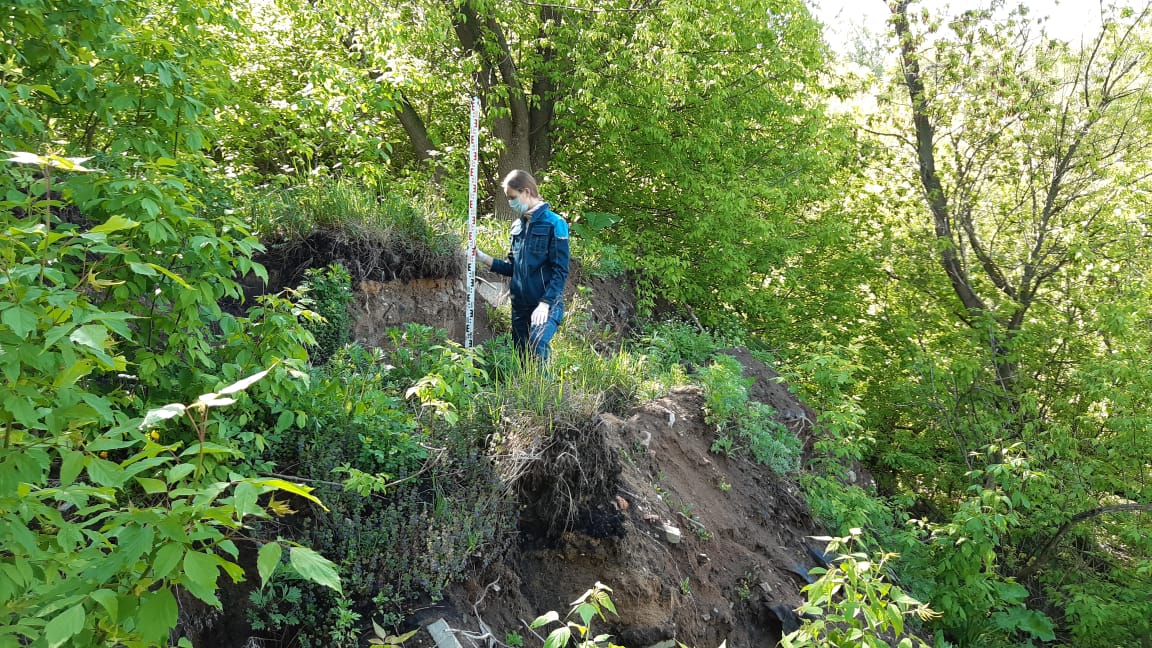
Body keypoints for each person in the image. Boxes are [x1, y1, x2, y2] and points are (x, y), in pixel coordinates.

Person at [476, 170, 570, 362]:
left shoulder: (555, 224)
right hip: (520, 305)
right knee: (522, 354)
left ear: (526, 192)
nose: (510, 202)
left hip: (545, 302)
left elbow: (561, 271)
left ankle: (546, 390)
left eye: (512, 197)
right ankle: (526, 391)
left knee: (537, 342)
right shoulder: (517, 227)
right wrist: (482, 257)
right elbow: (513, 269)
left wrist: (545, 303)